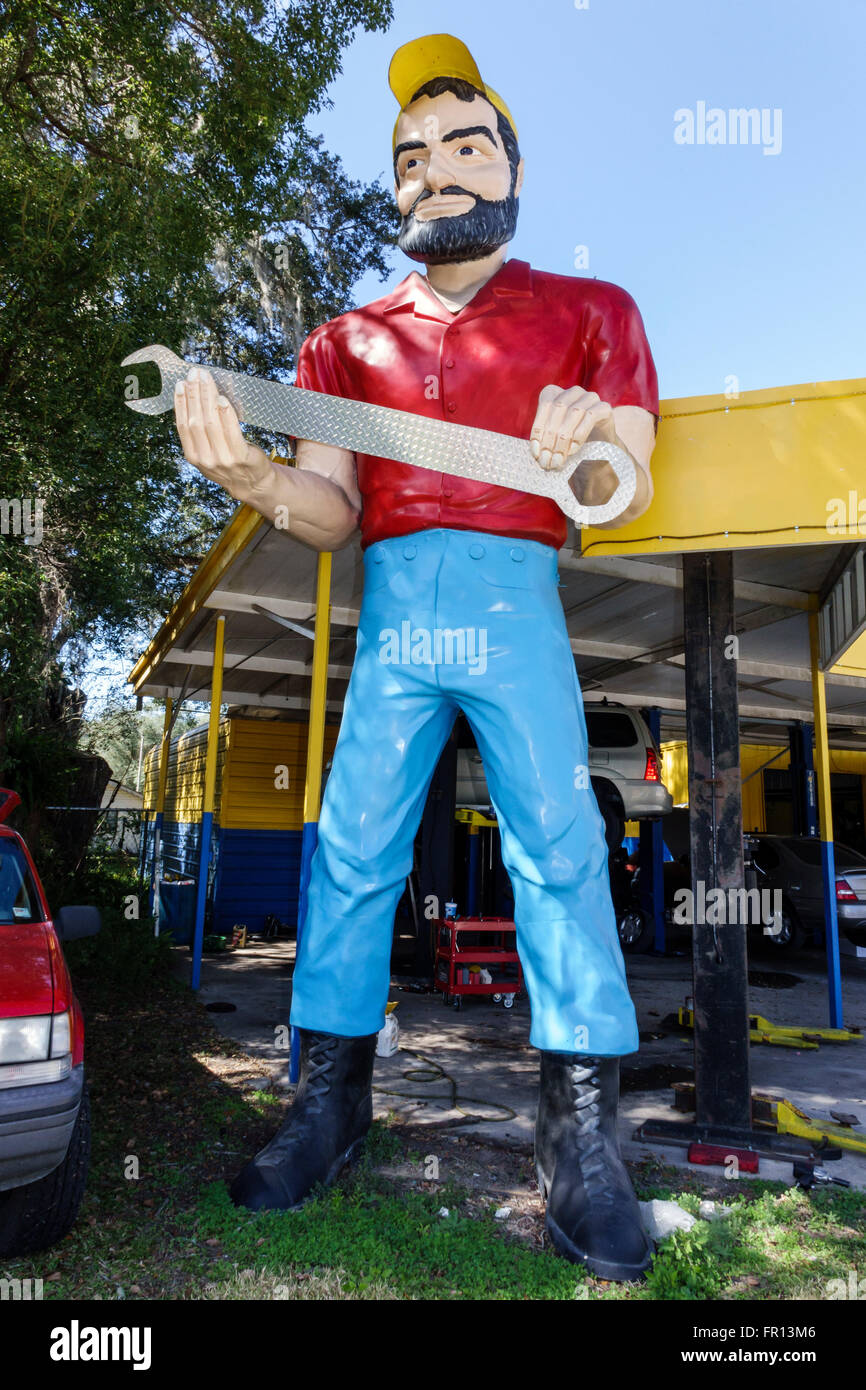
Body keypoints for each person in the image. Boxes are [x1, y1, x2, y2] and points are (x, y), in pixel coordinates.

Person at [173, 34, 659, 1281]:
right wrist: (252, 477)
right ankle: (327, 1108)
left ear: (509, 165)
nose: (432, 172)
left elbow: (627, 485)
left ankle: (583, 1148)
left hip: (512, 597)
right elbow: (331, 509)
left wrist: (587, 444)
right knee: (349, 849)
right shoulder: (343, 344)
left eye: (461, 146)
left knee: (558, 843)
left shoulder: (592, 314)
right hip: (392, 604)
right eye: (407, 159)